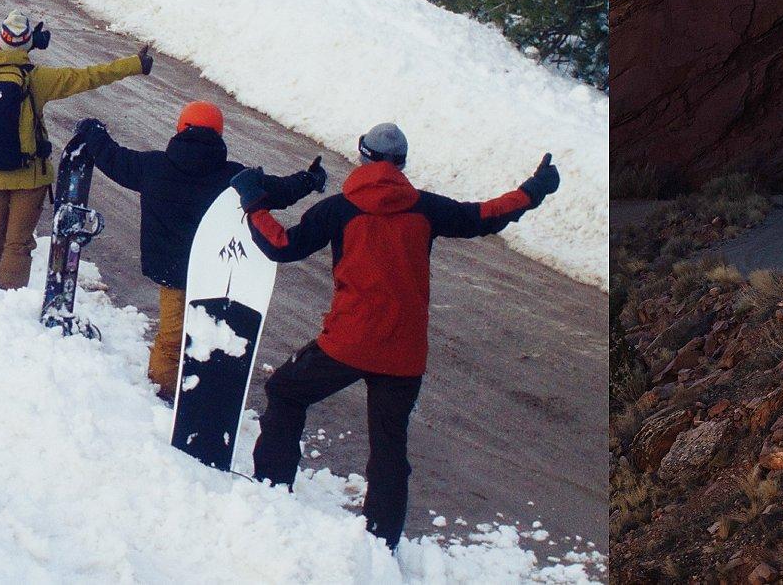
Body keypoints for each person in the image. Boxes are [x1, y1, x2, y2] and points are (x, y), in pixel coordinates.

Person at [230, 122, 561, 550]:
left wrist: (254, 203)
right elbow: (484, 216)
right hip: (404, 355)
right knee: (389, 446)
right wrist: (534, 190)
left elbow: (283, 246)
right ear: (401, 163)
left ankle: (272, 490)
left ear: (362, 156)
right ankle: (382, 542)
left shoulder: (339, 209)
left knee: (285, 391)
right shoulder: (425, 208)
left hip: (346, 345)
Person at [74, 103, 326, 399]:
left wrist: (93, 132)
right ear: (219, 133)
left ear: (181, 128)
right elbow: (279, 191)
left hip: (172, 272)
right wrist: (309, 179)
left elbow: (112, 157)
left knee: (171, 339)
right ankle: (203, 396)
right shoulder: (234, 178)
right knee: (211, 339)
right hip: (215, 274)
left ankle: (162, 395)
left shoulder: (153, 167)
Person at [0, 10, 150, 289]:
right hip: (30, 176)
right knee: (17, 244)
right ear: (29, 42)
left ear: (0, 40)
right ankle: (9, 304)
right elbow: (88, 76)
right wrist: (134, 64)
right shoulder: (37, 78)